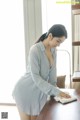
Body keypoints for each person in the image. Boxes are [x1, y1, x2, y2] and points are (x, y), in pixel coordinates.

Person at [12, 24, 71, 120]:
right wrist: (56, 92)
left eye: (61, 43)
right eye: (58, 41)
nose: (59, 45)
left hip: (38, 93)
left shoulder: (53, 51)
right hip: (24, 91)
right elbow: (36, 76)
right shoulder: (35, 50)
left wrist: (58, 92)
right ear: (50, 36)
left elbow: (52, 75)